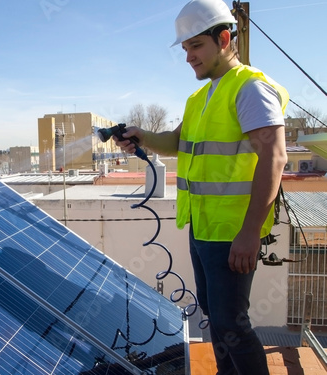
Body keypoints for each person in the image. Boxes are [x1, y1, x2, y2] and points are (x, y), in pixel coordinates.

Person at [114, 0, 288, 374]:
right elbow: (177, 142)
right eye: (185, 49)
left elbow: (274, 158)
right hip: (204, 228)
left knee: (233, 325)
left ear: (224, 39)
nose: (189, 57)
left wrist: (248, 233)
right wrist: (140, 136)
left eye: (196, 46)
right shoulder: (200, 97)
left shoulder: (250, 89)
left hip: (232, 231)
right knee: (217, 319)